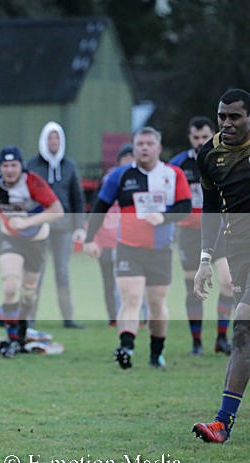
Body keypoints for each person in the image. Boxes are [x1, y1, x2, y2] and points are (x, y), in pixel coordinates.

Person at [84, 127, 191, 370]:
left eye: (149, 143)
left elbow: (185, 207)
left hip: (160, 250)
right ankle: (126, 348)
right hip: (128, 248)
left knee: (156, 304)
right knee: (130, 298)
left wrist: (163, 217)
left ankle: (156, 353)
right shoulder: (121, 176)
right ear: (134, 148)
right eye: (139, 144)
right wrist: (90, 238)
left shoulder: (173, 174)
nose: (144, 148)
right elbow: (100, 207)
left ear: (158, 148)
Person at [192, 88, 250, 443]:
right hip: (240, 250)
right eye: (222, 116)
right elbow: (211, 208)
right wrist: (205, 260)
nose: (227, 123)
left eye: (235, 117)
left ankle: (222, 423)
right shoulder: (209, 155)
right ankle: (223, 424)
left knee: (242, 326)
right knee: (245, 335)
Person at [0, 146, 63, 357]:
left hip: (37, 243)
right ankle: (12, 340)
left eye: (14, 165)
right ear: (0, 168)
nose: (10, 170)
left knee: (28, 294)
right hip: (11, 240)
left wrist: (28, 221)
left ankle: (21, 330)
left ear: (21, 166)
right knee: (10, 286)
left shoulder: (33, 183)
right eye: (5, 165)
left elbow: (57, 211)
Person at [170, 117, 233, 356]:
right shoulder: (178, 165)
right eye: (195, 138)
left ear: (213, 134)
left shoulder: (224, 159)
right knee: (193, 288)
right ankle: (196, 341)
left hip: (218, 231)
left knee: (227, 281)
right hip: (190, 233)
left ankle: (222, 338)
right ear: (189, 137)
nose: (200, 142)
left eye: (204, 137)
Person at [25, 121, 86, 328]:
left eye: (57, 138)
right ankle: (29, 317)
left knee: (62, 271)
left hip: (64, 226)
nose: (54, 142)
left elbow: (77, 198)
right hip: (39, 226)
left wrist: (79, 226)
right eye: (50, 138)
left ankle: (68, 317)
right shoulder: (32, 166)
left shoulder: (69, 166)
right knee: (36, 271)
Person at [93, 143, 134, 325]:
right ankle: (113, 317)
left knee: (131, 281)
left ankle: (137, 317)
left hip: (129, 240)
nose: (129, 162)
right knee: (110, 282)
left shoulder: (140, 181)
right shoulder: (108, 180)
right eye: (126, 159)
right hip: (106, 239)